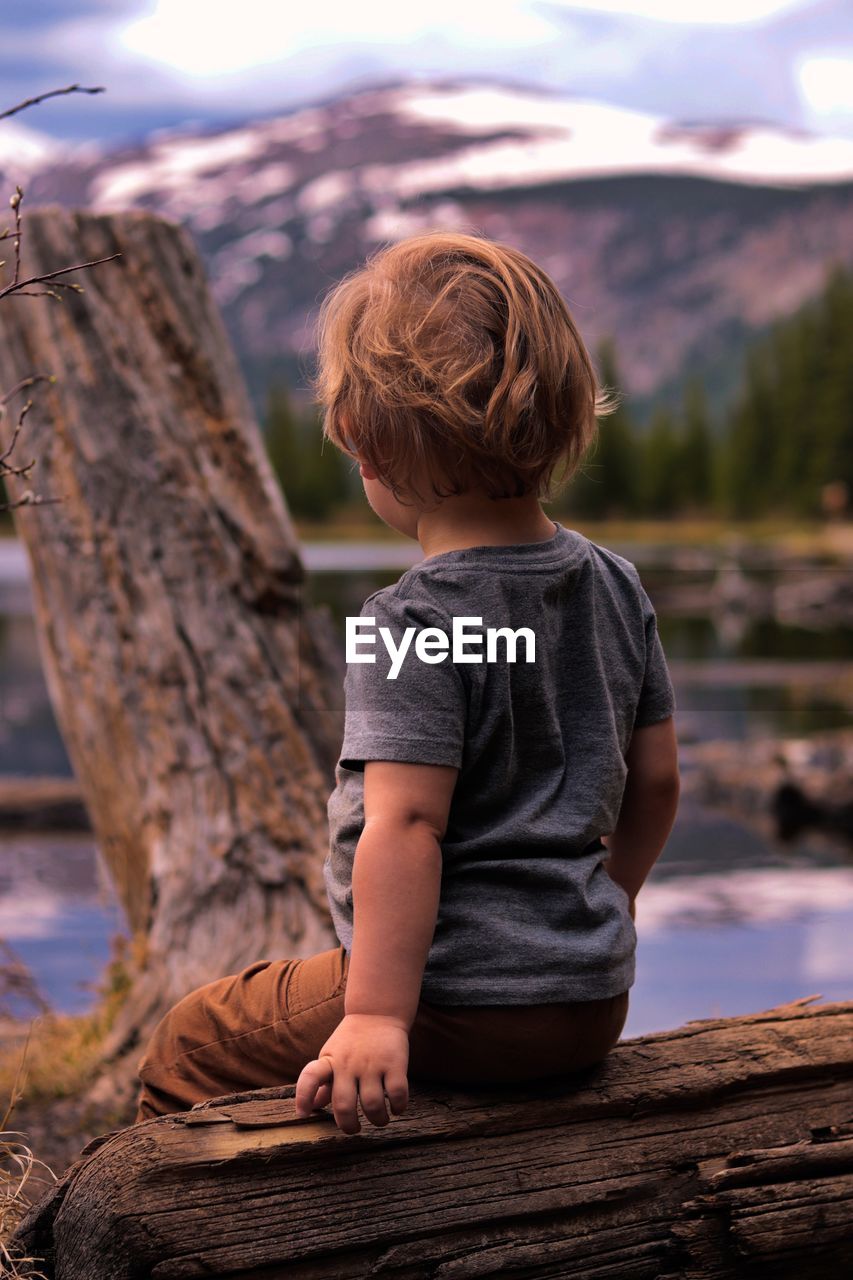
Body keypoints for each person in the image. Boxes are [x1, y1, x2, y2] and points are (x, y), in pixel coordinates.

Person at [134, 231, 680, 1135]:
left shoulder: (410, 621)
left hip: (452, 1003)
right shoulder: (615, 583)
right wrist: (602, 911)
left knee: (193, 1044)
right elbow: (656, 782)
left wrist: (377, 1016)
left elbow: (407, 821)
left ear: (363, 442)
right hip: (592, 1002)